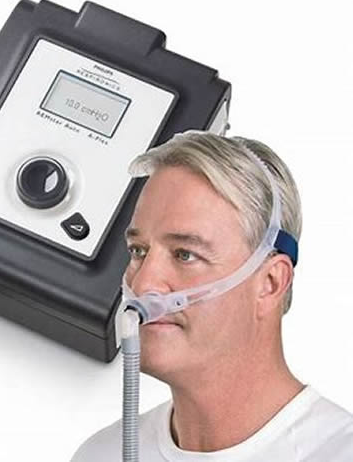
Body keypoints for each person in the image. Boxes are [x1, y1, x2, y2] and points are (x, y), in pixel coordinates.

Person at [70, 131, 353, 461]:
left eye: (185, 254)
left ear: (271, 283)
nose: (144, 283)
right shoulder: (101, 454)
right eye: (138, 250)